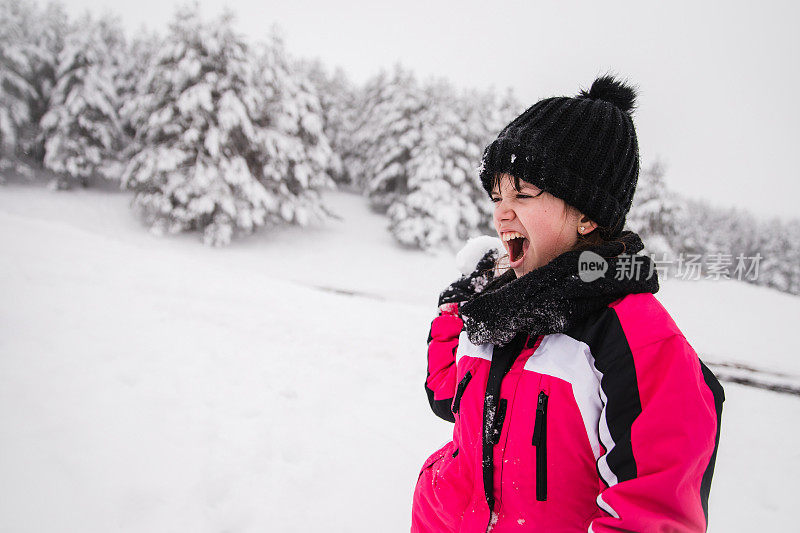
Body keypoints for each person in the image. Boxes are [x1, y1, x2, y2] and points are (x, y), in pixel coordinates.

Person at [411, 75, 725, 532]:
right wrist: (457, 308)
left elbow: (655, 515)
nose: (500, 211)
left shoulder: (635, 340)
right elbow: (446, 395)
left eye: (523, 193)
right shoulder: (503, 306)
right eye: (498, 195)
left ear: (587, 215)